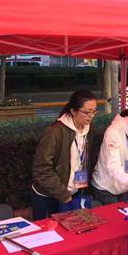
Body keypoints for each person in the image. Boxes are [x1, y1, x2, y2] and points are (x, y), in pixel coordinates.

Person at [32, 89, 98, 220]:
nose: (91, 116)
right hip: (49, 196)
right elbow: (41, 169)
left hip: (74, 192)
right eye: (87, 112)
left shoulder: (89, 129)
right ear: (73, 111)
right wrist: (63, 193)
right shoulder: (55, 132)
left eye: (94, 111)